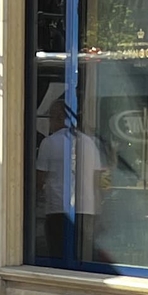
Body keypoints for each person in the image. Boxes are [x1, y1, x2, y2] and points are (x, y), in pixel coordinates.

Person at [34, 95, 109, 264]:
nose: (49, 122)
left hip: (58, 208)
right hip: (88, 210)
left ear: (59, 117)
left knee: (58, 255)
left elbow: (39, 180)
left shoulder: (49, 142)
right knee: (83, 257)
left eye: (51, 117)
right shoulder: (90, 143)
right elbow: (98, 180)